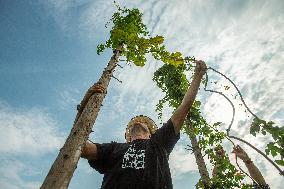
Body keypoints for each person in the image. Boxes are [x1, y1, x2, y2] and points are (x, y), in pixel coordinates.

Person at [80, 60, 207, 189]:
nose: (138, 122)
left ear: (151, 134)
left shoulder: (158, 143)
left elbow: (184, 107)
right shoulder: (114, 149)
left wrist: (197, 75)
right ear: (128, 136)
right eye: (134, 122)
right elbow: (79, 146)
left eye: (144, 122)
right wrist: (83, 105)